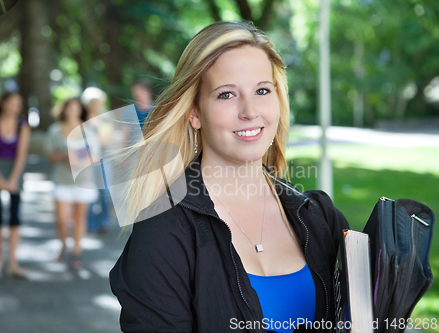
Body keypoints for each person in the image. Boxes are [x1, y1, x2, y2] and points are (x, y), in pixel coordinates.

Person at [109, 21, 349, 333]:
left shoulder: (318, 216)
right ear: (194, 112)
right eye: (226, 95)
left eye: (262, 90)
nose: (250, 111)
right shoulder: (162, 230)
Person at [45, 98, 99, 269]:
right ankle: (63, 245)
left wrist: (80, 161)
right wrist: (65, 157)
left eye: (76, 108)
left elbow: (96, 155)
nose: (73, 111)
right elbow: (50, 155)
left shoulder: (88, 130)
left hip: (83, 180)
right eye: (70, 108)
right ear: (64, 109)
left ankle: (76, 252)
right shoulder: (55, 130)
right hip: (62, 180)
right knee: (61, 220)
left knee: (79, 219)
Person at [0, 91, 30, 278]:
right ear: (3, 103)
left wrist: (12, 180)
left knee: (14, 218)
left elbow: (22, 155)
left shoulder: (22, 125)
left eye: (18, 104)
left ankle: (12, 261)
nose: (15, 107)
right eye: (12, 103)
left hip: (14, 171)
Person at [81, 87, 115, 235]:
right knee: (89, 193)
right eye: (93, 102)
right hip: (86, 161)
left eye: (98, 101)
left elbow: (107, 139)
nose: (96, 104)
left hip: (103, 159)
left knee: (106, 193)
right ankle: (91, 224)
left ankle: (104, 222)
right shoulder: (81, 119)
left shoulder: (105, 118)